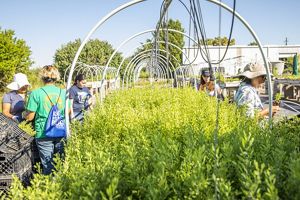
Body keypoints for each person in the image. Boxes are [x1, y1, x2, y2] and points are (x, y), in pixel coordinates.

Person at [25, 65, 68, 175]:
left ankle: (49, 188)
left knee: (47, 165)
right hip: (60, 130)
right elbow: (68, 113)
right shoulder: (63, 92)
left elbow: (30, 117)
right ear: (56, 77)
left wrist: (24, 115)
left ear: (42, 77)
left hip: (43, 132)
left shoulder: (36, 93)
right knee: (61, 163)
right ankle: (62, 186)